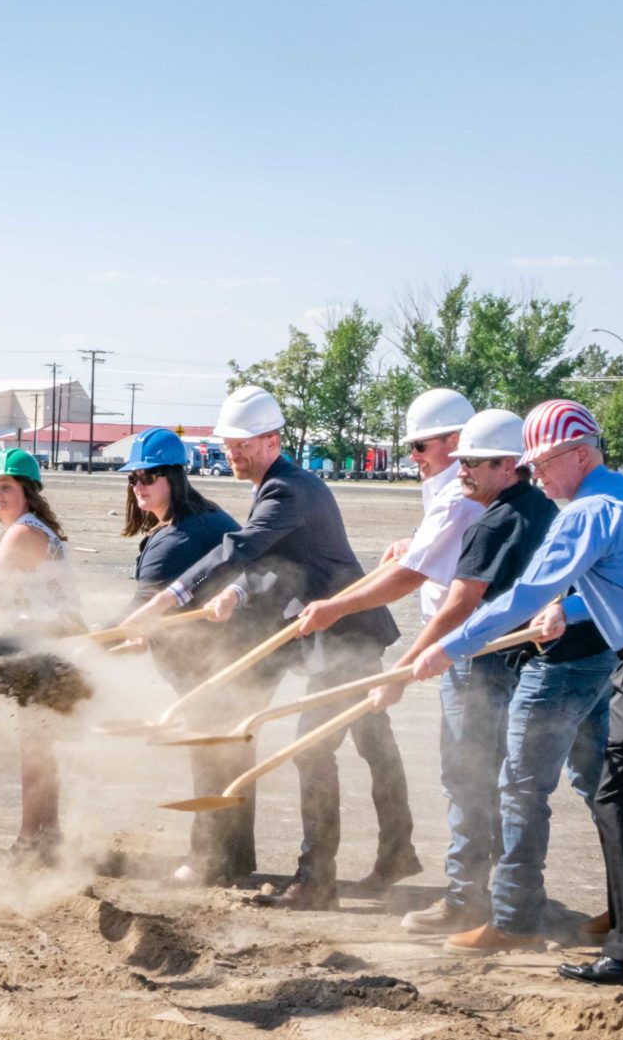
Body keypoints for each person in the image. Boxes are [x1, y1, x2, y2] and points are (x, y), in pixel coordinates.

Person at [414, 400, 623, 987]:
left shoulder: (586, 511)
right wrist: (570, 610)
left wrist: (449, 647)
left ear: (579, 455)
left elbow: (524, 594)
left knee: (622, 802)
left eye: (543, 463)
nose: (536, 475)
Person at [135, 384, 416, 910]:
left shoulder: (288, 490)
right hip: (333, 630)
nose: (233, 453)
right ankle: (397, 852)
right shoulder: (277, 487)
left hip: (347, 633)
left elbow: (240, 548)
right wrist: (238, 593)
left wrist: (170, 597)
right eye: (228, 445)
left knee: (315, 747)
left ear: (272, 441)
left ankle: (317, 878)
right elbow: (277, 560)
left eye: (242, 444)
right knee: (373, 743)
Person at [372, 409, 612, 953]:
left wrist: (410, 664)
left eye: (473, 463)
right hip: (583, 659)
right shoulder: (542, 510)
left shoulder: (495, 521)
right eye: (460, 461)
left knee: (485, 782)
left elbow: (463, 604)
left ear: (509, 466)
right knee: (593, 782)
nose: (461, 471)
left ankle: (487, 907)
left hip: (521, 667)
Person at [295, 389, 485, 933]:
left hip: (455, 646)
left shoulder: (459, 497)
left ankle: (470, 897)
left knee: (470, 776)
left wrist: (335, 608)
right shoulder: (447, 491)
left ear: (455, 441)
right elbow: (428, 556)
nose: (413, 456)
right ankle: (404, 856)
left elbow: (417, 578)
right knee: (391, 749)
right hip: (439, 644)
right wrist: (413, 543)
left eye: (421, 446)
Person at [117, 427, 249, 884]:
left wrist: (100, 641)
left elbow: (139, 609)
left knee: (212, 755)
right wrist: (146, 636)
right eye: (133, 478)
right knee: (229, 755)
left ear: (174, 476)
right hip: (231, 657)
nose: (139, 486)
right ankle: (234, 860)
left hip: (217, 664)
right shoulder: (202, 517)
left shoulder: (178, 537)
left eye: (148, 477)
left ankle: (207, 859)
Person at [0, 448, 79, 856]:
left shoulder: (23, 534)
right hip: (52, 645)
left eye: (7, 487)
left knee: (34, 749)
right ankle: (49, 834)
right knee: (40, 747)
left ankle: (28, 839)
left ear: (28, 492)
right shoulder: (34, 529)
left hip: (44, 649)